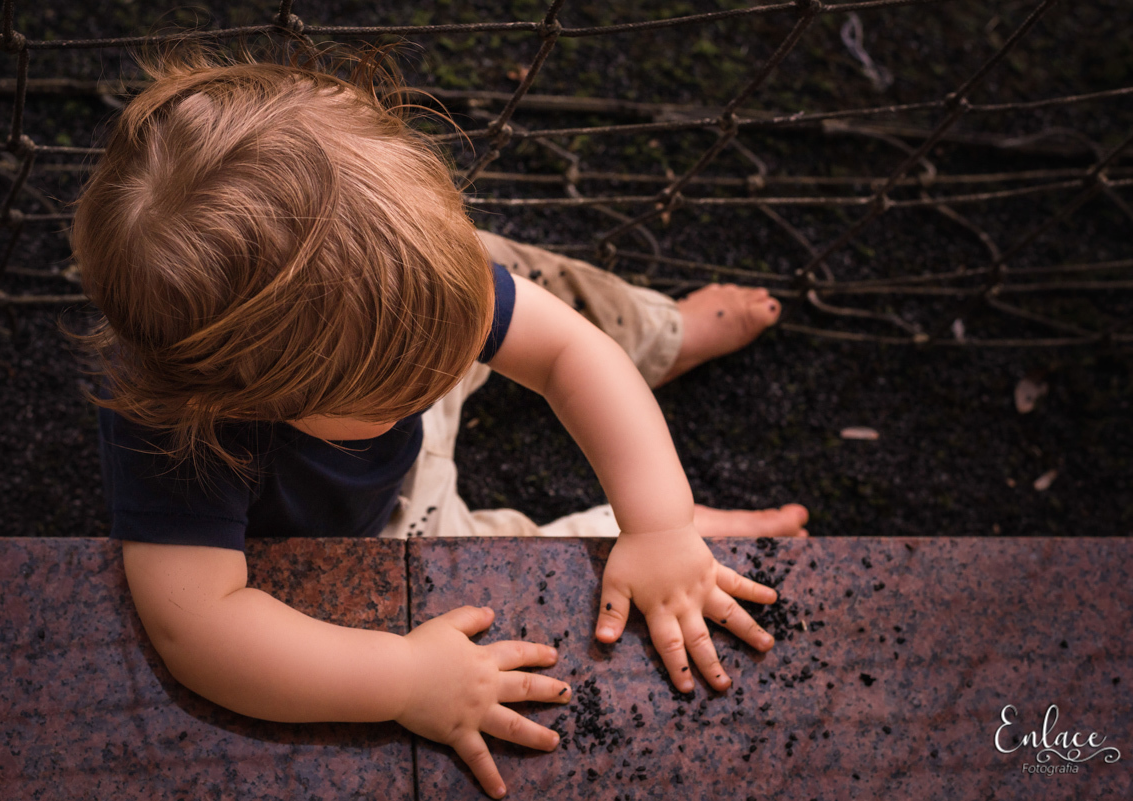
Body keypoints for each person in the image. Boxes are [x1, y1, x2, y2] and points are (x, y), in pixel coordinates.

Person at [70, 44, 808, 799]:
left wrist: (658, 520)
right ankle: (603, 536)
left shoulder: (401, 284)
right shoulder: (181, 435)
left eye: (451, 343)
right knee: (493, 579)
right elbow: (201, 631)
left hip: (392, 330)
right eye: (404, 384)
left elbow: (564, 353)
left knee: (536, 291)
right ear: (252, 398)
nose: (443, 374)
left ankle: (662, 334)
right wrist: (405, 678)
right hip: (375, 524)